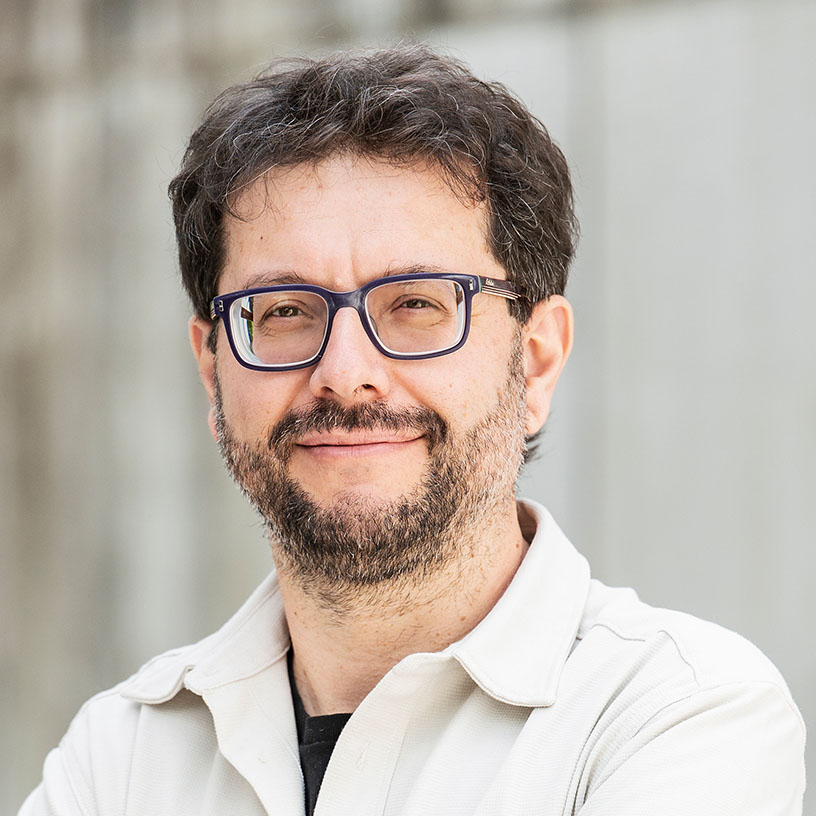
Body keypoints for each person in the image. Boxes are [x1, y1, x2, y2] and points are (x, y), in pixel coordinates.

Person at [20, 44, 805, 816]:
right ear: (212, 369)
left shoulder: (677, 714)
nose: (344, 371)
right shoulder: (119, 756)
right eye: (285, 311)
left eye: (418, 304)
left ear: (535, 361)